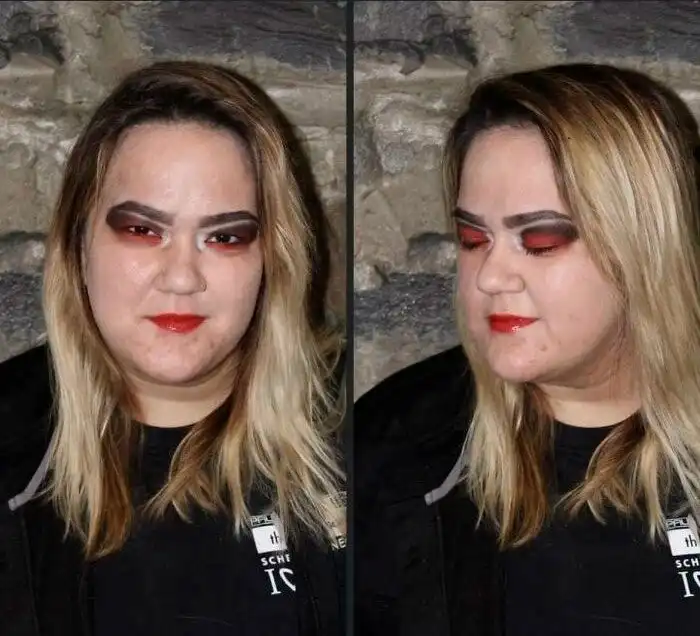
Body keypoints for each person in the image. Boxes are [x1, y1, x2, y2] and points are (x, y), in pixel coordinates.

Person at [0, 60, 346, 636]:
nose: (182, 277)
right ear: (76, 242)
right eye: (143, 230)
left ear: (273, 258)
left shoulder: (377, 447)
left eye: (225, 236)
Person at [355, 63, 700, 636]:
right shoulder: (389, 449)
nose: (490, 276)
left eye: (540, 240)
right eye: (473, 239)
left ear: (645, 245)